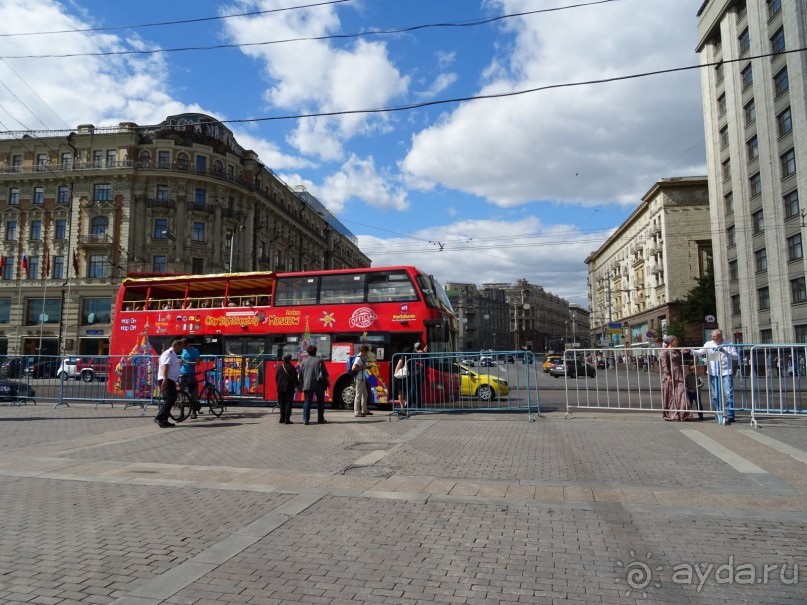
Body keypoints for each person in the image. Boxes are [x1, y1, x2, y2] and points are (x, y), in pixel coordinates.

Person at [693, 329, 739, 424]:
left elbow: (735, 357)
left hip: (726, 371)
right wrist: (690, 351)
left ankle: (730, 415)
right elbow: (700, 352)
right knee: (715, 395)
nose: (712, 338)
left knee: (728, 394)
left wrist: (725, 351)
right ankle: (718, 412)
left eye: (714, 336)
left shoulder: (728, 344)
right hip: (713, 372)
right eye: (712, 336)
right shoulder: (709, 344)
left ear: (720, 336)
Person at [660, 335, 691, 421]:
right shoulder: (665, 351)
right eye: (676, 340)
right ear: (671, 342)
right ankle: (672, 414)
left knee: (682, 392)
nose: (677, 342)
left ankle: (683, 414)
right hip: (670, 374)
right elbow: (664, 364)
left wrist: (684, 352)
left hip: (678, 373)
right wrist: (668, 375)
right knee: (670, 394)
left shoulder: (676, 351)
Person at [155, 339, 184, 428]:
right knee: (171, 398)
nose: (182, 349)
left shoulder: (173, 354)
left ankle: (164, 420)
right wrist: (165, 379)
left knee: (169, 399)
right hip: (167, 379)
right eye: (181, 347)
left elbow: (173, 368)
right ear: (177, 346)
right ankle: (159, 418)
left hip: (171, 379)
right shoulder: (169, 353)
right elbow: (165, 366)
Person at [299, 345, 328, 425]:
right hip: (319, 384)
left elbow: (301, 374)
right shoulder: (319, 360)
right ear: (315, 351)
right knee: (320, 402)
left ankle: (306, 419)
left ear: (308, 352)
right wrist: (327, 382)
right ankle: (320, 419)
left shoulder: (304, 361)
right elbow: (324, 373)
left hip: (307, 384)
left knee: (307, 401)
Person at [180, 339, 201, 419]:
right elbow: (182, 359)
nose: (183, 348)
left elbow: (198, 362)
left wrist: (189, 363)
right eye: (182, 346)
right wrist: (180, 362)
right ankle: (182, 412)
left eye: (184, 346)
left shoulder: (194, 350)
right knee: (182, 393)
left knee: (192, 392)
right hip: (182, 373)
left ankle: (193, 412)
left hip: (190, 373)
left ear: (188, 344)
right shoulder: (183, 350)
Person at [275, 354, 298, 424]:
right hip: (289, 388)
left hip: (280, 388)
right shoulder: (292, 367)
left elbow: (276, 377)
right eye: (291, 358)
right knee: (288, 403)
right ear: (289, 359)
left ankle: (281, 418)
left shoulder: (280, 367)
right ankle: (287, 419)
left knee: (282, 403)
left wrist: (279, 384)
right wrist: (298, 385)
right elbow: (295, 378)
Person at [351, 345, 370, 417]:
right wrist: (363, 367)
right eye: (366, 352)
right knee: (358, 395)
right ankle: (356, 412)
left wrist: (366, 366)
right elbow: (353, 368)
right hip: (359, 379)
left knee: (365, 394)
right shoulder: (358, 359)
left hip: (362, 379)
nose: (366, 353)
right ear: (363, 351)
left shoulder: (361, 358)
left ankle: (364, 410)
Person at [407, 342, 428, 407]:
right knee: (415, 389)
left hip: (414, 374)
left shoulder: (414, 355)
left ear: (415, 348)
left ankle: (414, 406)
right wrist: (425, 352)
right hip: (421, 373)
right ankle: (411, 405)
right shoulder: (425, 354)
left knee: (415, 389)